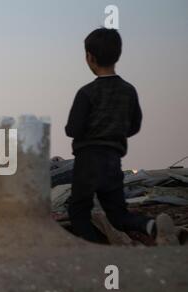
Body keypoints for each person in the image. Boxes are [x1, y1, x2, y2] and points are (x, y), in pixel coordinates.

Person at [65, 28, 178, 245]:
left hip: (88, 159)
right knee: (118, 216)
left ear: (90, 57)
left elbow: (73, 129)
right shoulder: (129, 90)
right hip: (113, 159)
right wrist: (114, 134)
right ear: (118, 55)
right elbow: (134, 125)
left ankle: (96, 253)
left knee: (78, 213)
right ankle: (152, 227)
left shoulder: (86, 93)